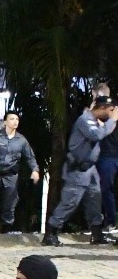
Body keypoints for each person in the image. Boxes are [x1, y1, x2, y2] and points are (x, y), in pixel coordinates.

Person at [42, 94, 117, 246]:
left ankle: (97, 234)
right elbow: (96, 135)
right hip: (77, 170)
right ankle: (51, 233)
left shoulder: (95, 120)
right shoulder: (85, 119)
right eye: (110, 110)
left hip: (90, 170)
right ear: (101, 108)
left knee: (94, 201)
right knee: (69, 202)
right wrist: (112, 120)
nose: (111, 114)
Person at [0, 111, 40, 237]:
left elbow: (30, 157)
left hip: (11, 176)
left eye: (17, 119)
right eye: (12, 119)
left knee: (9, 206)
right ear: (5, 122)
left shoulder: (21, 140)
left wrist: (35, 170)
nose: (15, 121)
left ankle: (5, 234)